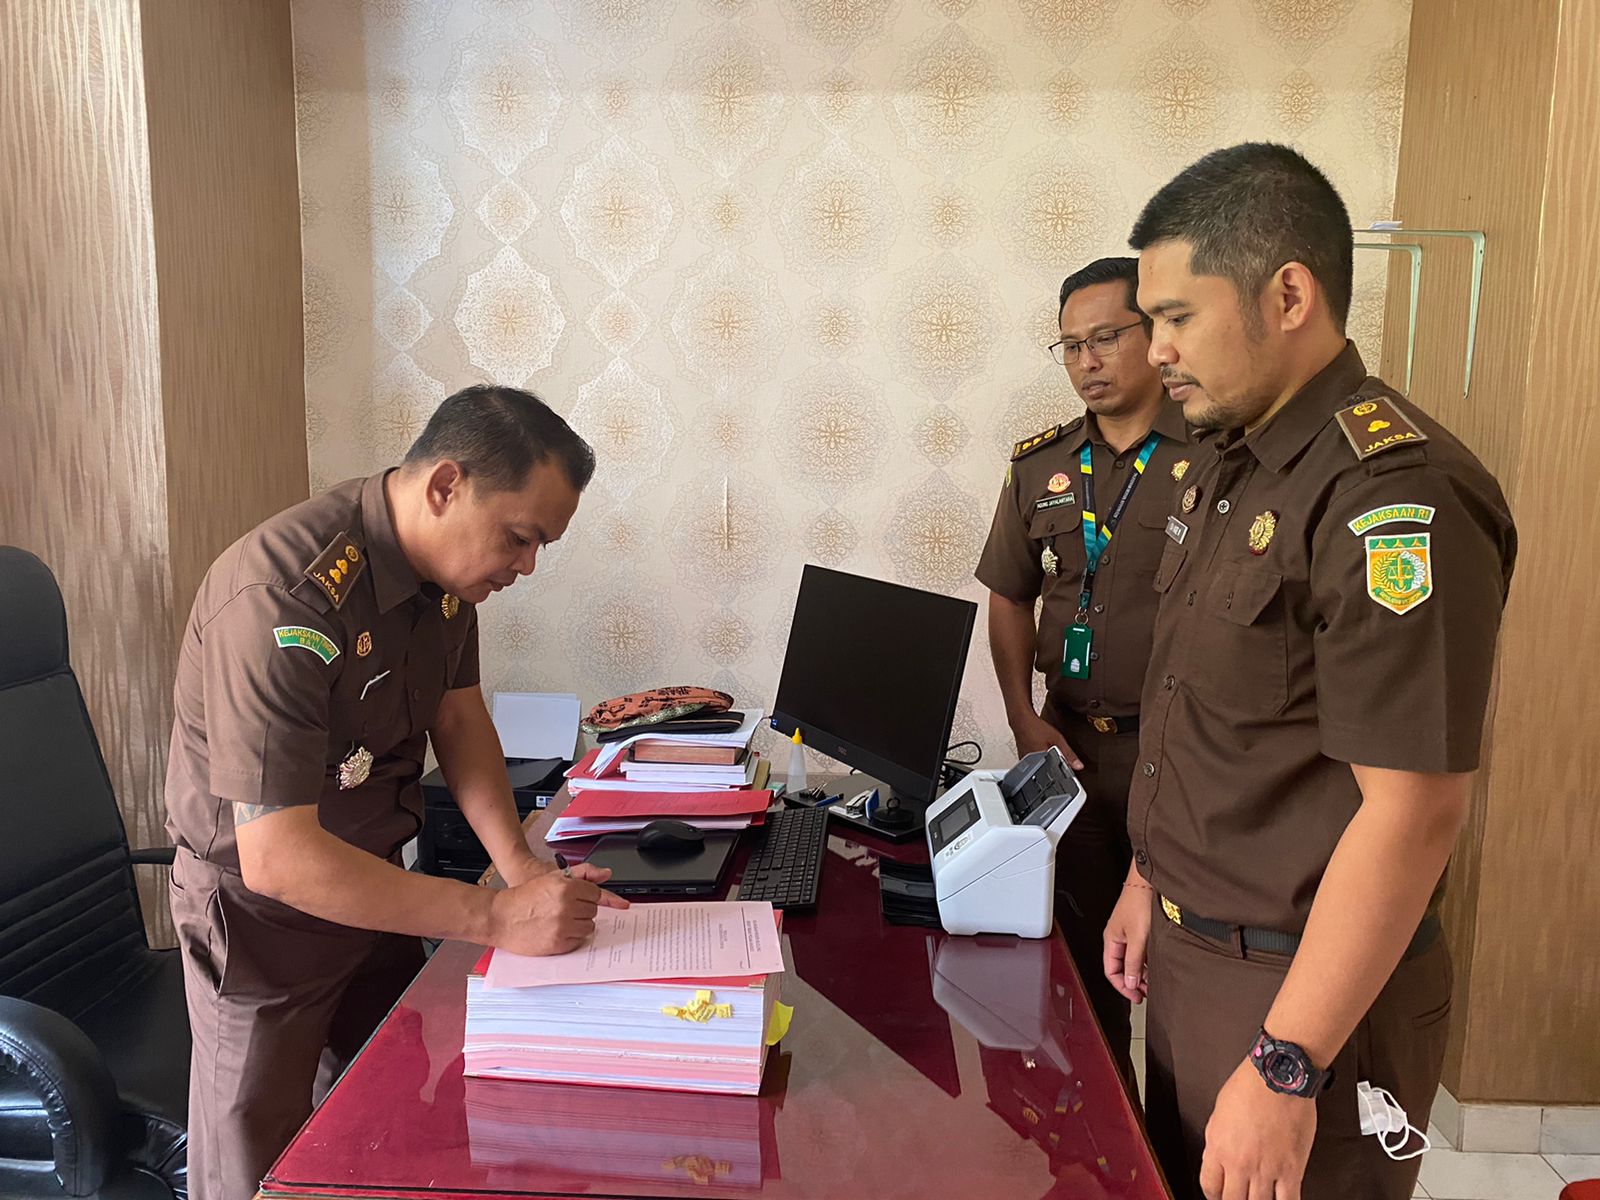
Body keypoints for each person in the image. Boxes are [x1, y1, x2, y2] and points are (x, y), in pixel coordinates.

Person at [1101, 143, 1516, 1200]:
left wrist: (1288, 1064)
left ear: (1287, 295)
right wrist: (1149, 881)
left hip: (1304, 1000)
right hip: (1196, 964)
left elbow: (1413, 811)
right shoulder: (1228, 465)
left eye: (1176, 317)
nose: (1155, 350)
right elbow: (1206, 718)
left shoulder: (1392, 497)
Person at [164, 384, 627, 1200]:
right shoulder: (283, 596)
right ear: (446, 485)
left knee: (393, 1121)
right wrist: (494, 917)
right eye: (520, 537)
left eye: (541, 546)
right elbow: (277, 859)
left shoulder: (448, 583)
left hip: (375, 891)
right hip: (262, 927)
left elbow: (460, 719)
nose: (527, 566)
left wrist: (520, 867)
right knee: (256, 1167)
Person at [976, 256, 1192, 1077]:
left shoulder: (1215, 458)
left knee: (1180, 987)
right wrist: (1021, 717)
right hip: (1070, 753)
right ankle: (1111, 1130)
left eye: (1105, 338)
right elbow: (1009, 594)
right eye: (1070, 346)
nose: (1086, 362)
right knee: (1080, 981)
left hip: (1181, 762)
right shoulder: (1043, 466)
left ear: (1156, 334)